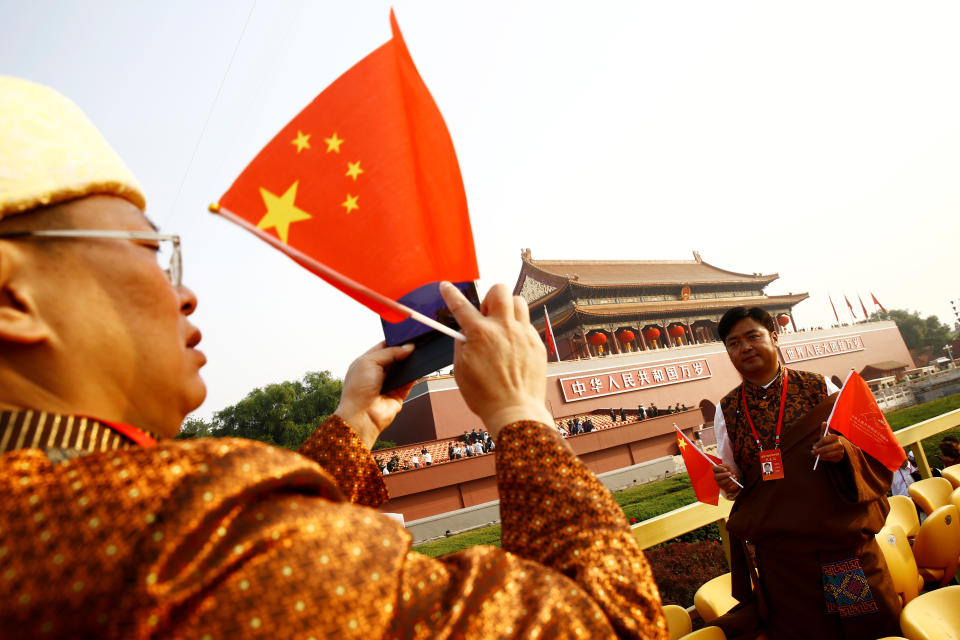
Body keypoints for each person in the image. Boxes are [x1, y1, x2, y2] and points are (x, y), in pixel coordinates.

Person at [0, 77, 668, 638]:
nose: (186, 294)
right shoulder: (174, 534)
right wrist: (522, 412)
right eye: (152, 252)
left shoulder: (51, 519)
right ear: (12, 297)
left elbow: (288, 556)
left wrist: (355, 423)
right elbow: (603, 622)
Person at [711, 307, 898, 639]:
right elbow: (737, 488)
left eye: (753, 336)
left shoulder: (817, 387)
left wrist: (844, 453)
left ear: (774, 337)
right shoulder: (727, 410)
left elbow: (870, 449)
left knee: (866, 629)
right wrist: (727, 482)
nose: (745, 348)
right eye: (734, 343)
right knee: (806, 632)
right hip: (784, 563)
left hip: (839, 545)